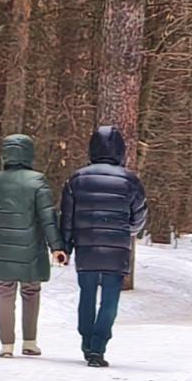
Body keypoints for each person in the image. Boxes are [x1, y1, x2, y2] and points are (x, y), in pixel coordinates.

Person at [54, 125, 146, 368]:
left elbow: (67, 217)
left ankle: (86, 340)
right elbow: (139, 215)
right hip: (116, 249)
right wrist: (128, 231)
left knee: (86, 295)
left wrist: (65, 247)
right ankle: (98, 347)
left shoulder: (77, 179)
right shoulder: (130, 180)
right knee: (109, 300)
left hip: (87, 246)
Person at [0, 133, 55, 357]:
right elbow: (47, 216)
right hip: (30, 245)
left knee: (4, 292)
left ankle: (6, 345)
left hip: (1, 242)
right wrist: (57, 245)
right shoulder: (38, 180)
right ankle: (29, 342)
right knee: (31, 291)